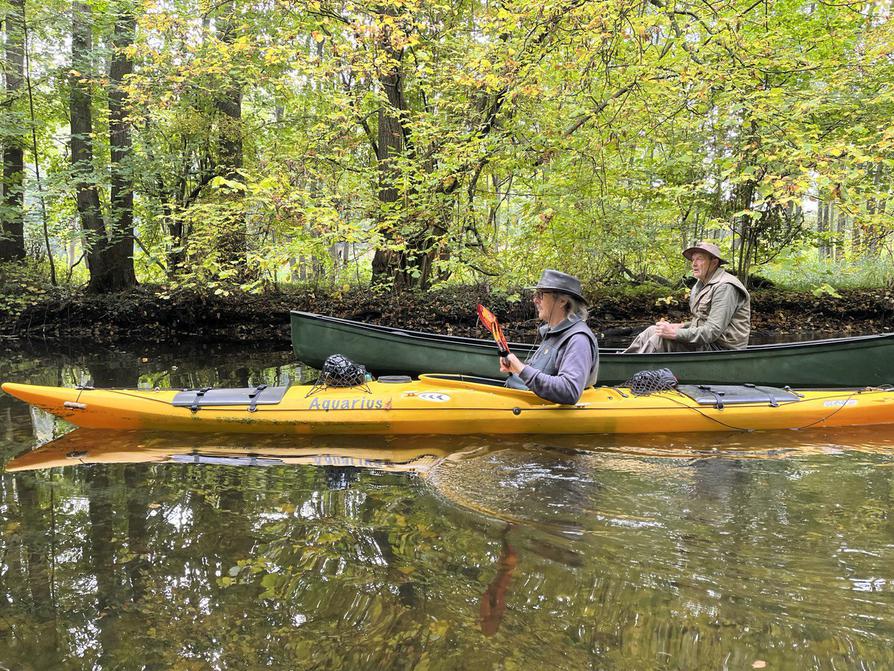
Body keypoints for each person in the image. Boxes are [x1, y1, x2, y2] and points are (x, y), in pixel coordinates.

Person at [623, 241, 751, 354]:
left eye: (700, 259)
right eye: (693, 260)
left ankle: (631, 371)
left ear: (714, 263)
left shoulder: (725, 287)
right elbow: (703, 321)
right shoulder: (700, 285)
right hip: (708, 343)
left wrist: (674, 334)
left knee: (661, 339)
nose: (694, 264)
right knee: (653, 330)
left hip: (722, 350)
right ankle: (622, 360)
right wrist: (680, 326)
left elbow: (712, 331)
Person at [501, 269, 599, 404]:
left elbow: (569, 391)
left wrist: (521, 368)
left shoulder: (578, 339)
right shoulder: (553, 331)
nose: (534, 300)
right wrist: (514, 369)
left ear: (562, 301)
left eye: (540, 295)